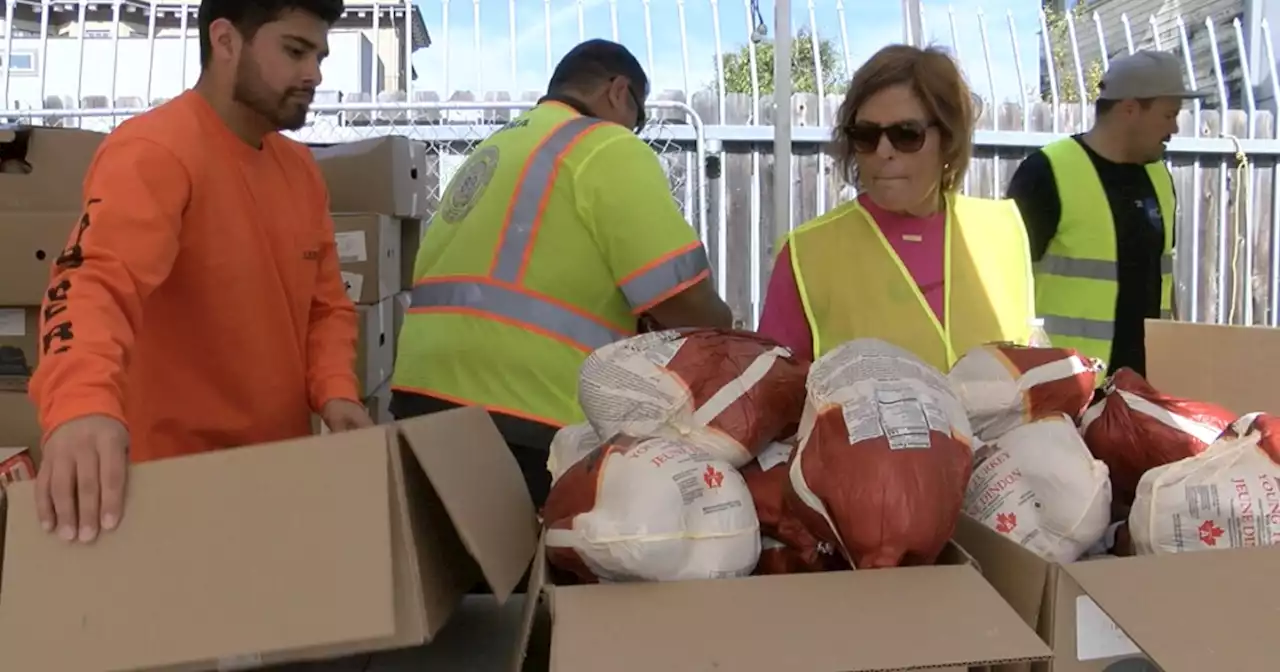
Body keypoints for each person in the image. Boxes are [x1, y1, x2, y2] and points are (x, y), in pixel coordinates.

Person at [28, 0, 373, 545]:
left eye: (319, 55)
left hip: (276, 479)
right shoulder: (157, 150)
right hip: (162, 492)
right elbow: (92, 283)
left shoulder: (301, 172)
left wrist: (337, 393)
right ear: (226, 40)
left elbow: (324, 306)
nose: (315, 73)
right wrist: (81, 406)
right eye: (295, 50)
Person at [391, 39, 733, 507]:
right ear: (619, 91)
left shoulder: (496, 148)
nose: (636, 128)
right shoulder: (604, 146)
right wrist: (731, 336)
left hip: (419, 399)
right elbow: (682, 300)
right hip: (526, 413)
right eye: (641, 115)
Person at [758, 44, 1034, 371]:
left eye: (906, 134)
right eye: (866, 135)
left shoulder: (1001, 231)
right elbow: (774, 399)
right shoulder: (808, 254)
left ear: (948, 138)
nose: (884, 151)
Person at [1007, 50, 1196, 378]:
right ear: (1130, 109)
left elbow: (1164, 279)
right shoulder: (1047, 172)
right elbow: (1005, 283)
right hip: (1065, 388)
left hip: (1142, 389)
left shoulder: (1159, 178)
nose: (1175, 128)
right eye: (1169, 115)